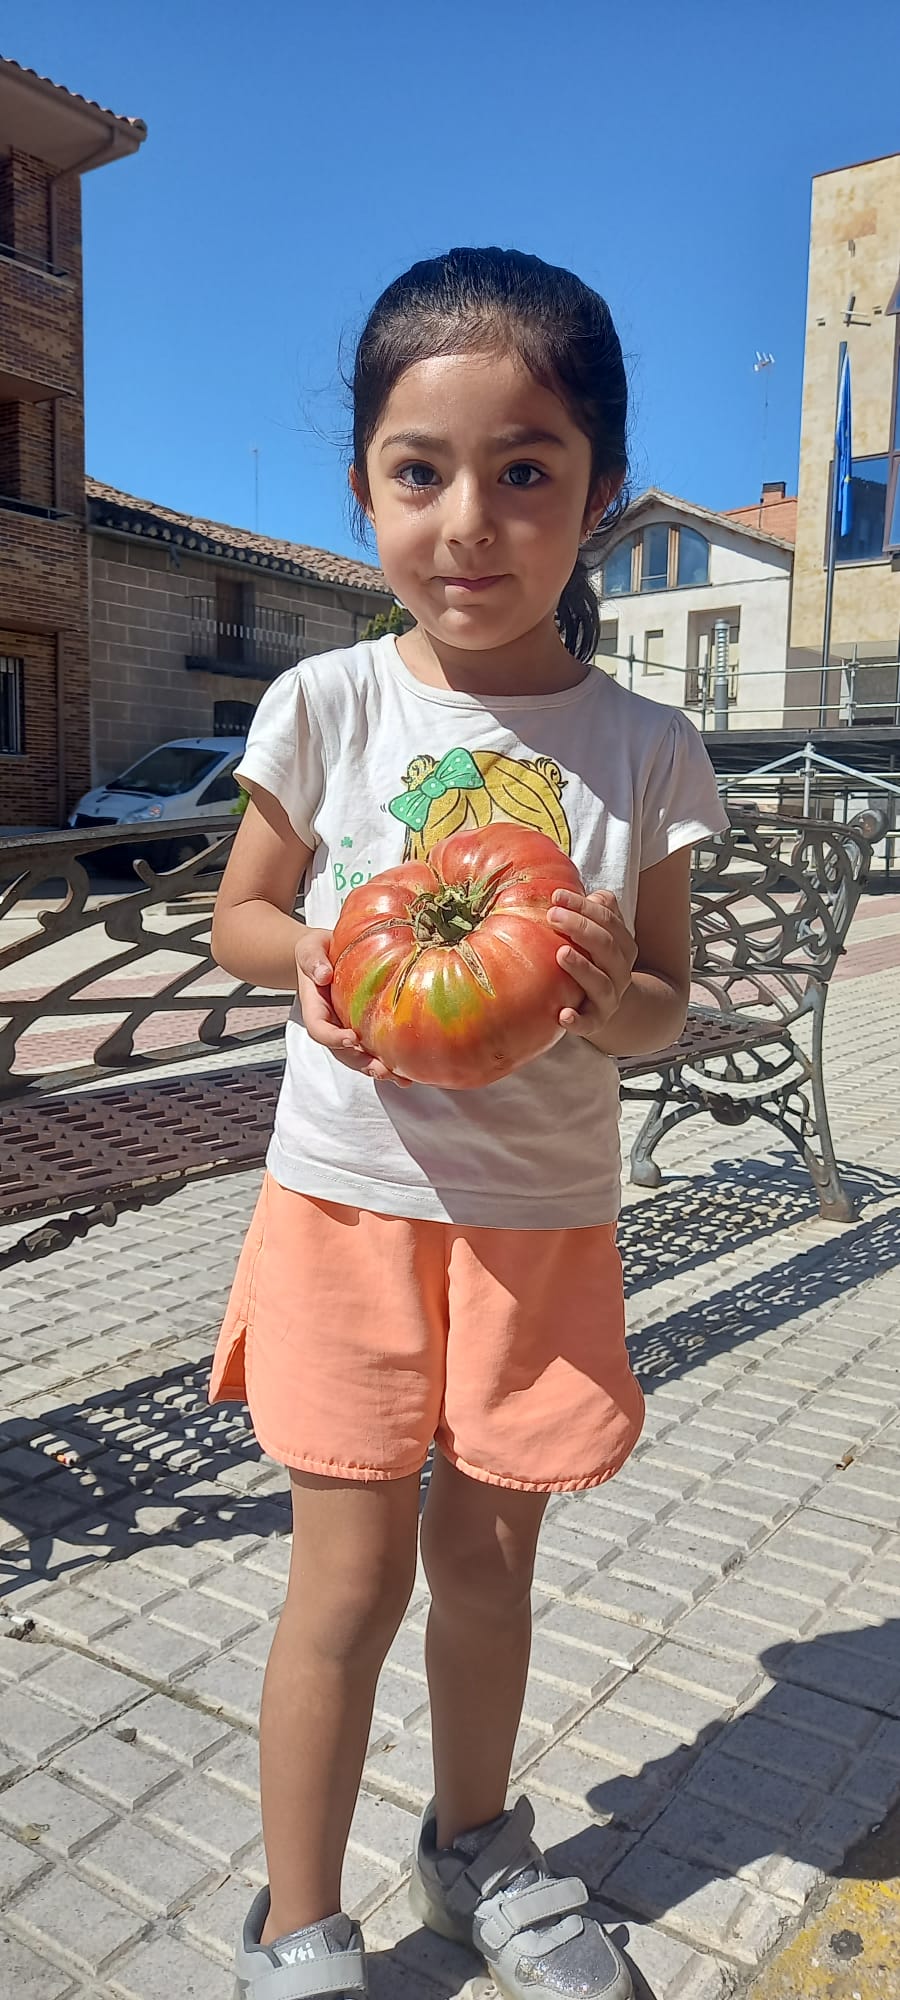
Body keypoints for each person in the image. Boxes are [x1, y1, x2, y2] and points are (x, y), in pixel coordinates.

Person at [209, 245, 729, 2000]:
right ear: (364, 486)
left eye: (527, 472)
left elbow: (668, 1005)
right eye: (421, 472)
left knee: (487, 1565)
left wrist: (602, 998)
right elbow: (244, 915)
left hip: (539, 1227)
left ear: (595, 497)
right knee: (344, 1583)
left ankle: (474, 1849)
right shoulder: (327, 702)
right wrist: (314, 972)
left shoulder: (645, 745)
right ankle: (297, 1920)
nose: (470, 521)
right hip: (344, 1208)